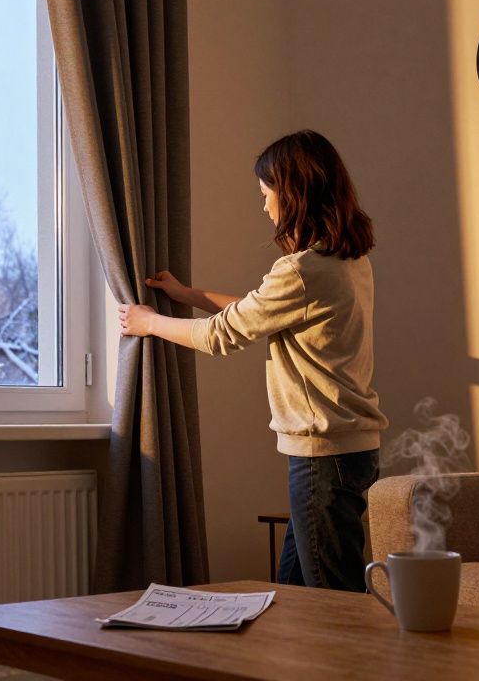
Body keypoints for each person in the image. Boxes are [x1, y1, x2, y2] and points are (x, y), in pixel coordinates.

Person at [118, 129, 389, 591]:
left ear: (293, 193)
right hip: (351, 450)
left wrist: (148, 323)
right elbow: (258, 310)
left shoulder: (302, 270)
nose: (264, 207)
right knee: (292, 596)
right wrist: (187, 294)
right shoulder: (348, 261)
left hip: (320, 454)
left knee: (334, 603)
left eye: (266, 194)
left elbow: (222, 336)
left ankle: (359, 667)